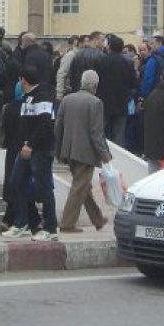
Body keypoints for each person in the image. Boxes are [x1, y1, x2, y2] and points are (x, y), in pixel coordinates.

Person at [2, 65, 57, 241]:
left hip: (39, 150)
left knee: (44, 188)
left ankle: (50, 228)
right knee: (16, 182)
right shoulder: (28, 98)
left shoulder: (42, 97)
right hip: (25, 149)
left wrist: (31, 144)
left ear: (23, 80)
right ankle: (21, 223)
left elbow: (45, 124)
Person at [55, 69, 111, 232]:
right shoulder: (95, 103)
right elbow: (96, 133)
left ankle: (97, 218)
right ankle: (67, 223)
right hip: (86, 153)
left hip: (69, 150)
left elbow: (58, 126)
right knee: (80, 186)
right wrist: (105, 155)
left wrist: (58, 150)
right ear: (95, 85)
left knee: (83, 186)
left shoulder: (67, 99)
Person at [96, 34, 137, 145]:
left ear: (109, 46)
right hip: (122, 101)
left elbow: (97, 80)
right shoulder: (128, 62)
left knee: (100, 131)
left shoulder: (101, 60)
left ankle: (99, 155)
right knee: (119, 134)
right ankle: (119, 159)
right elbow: (133, 83)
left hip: (104, 101)